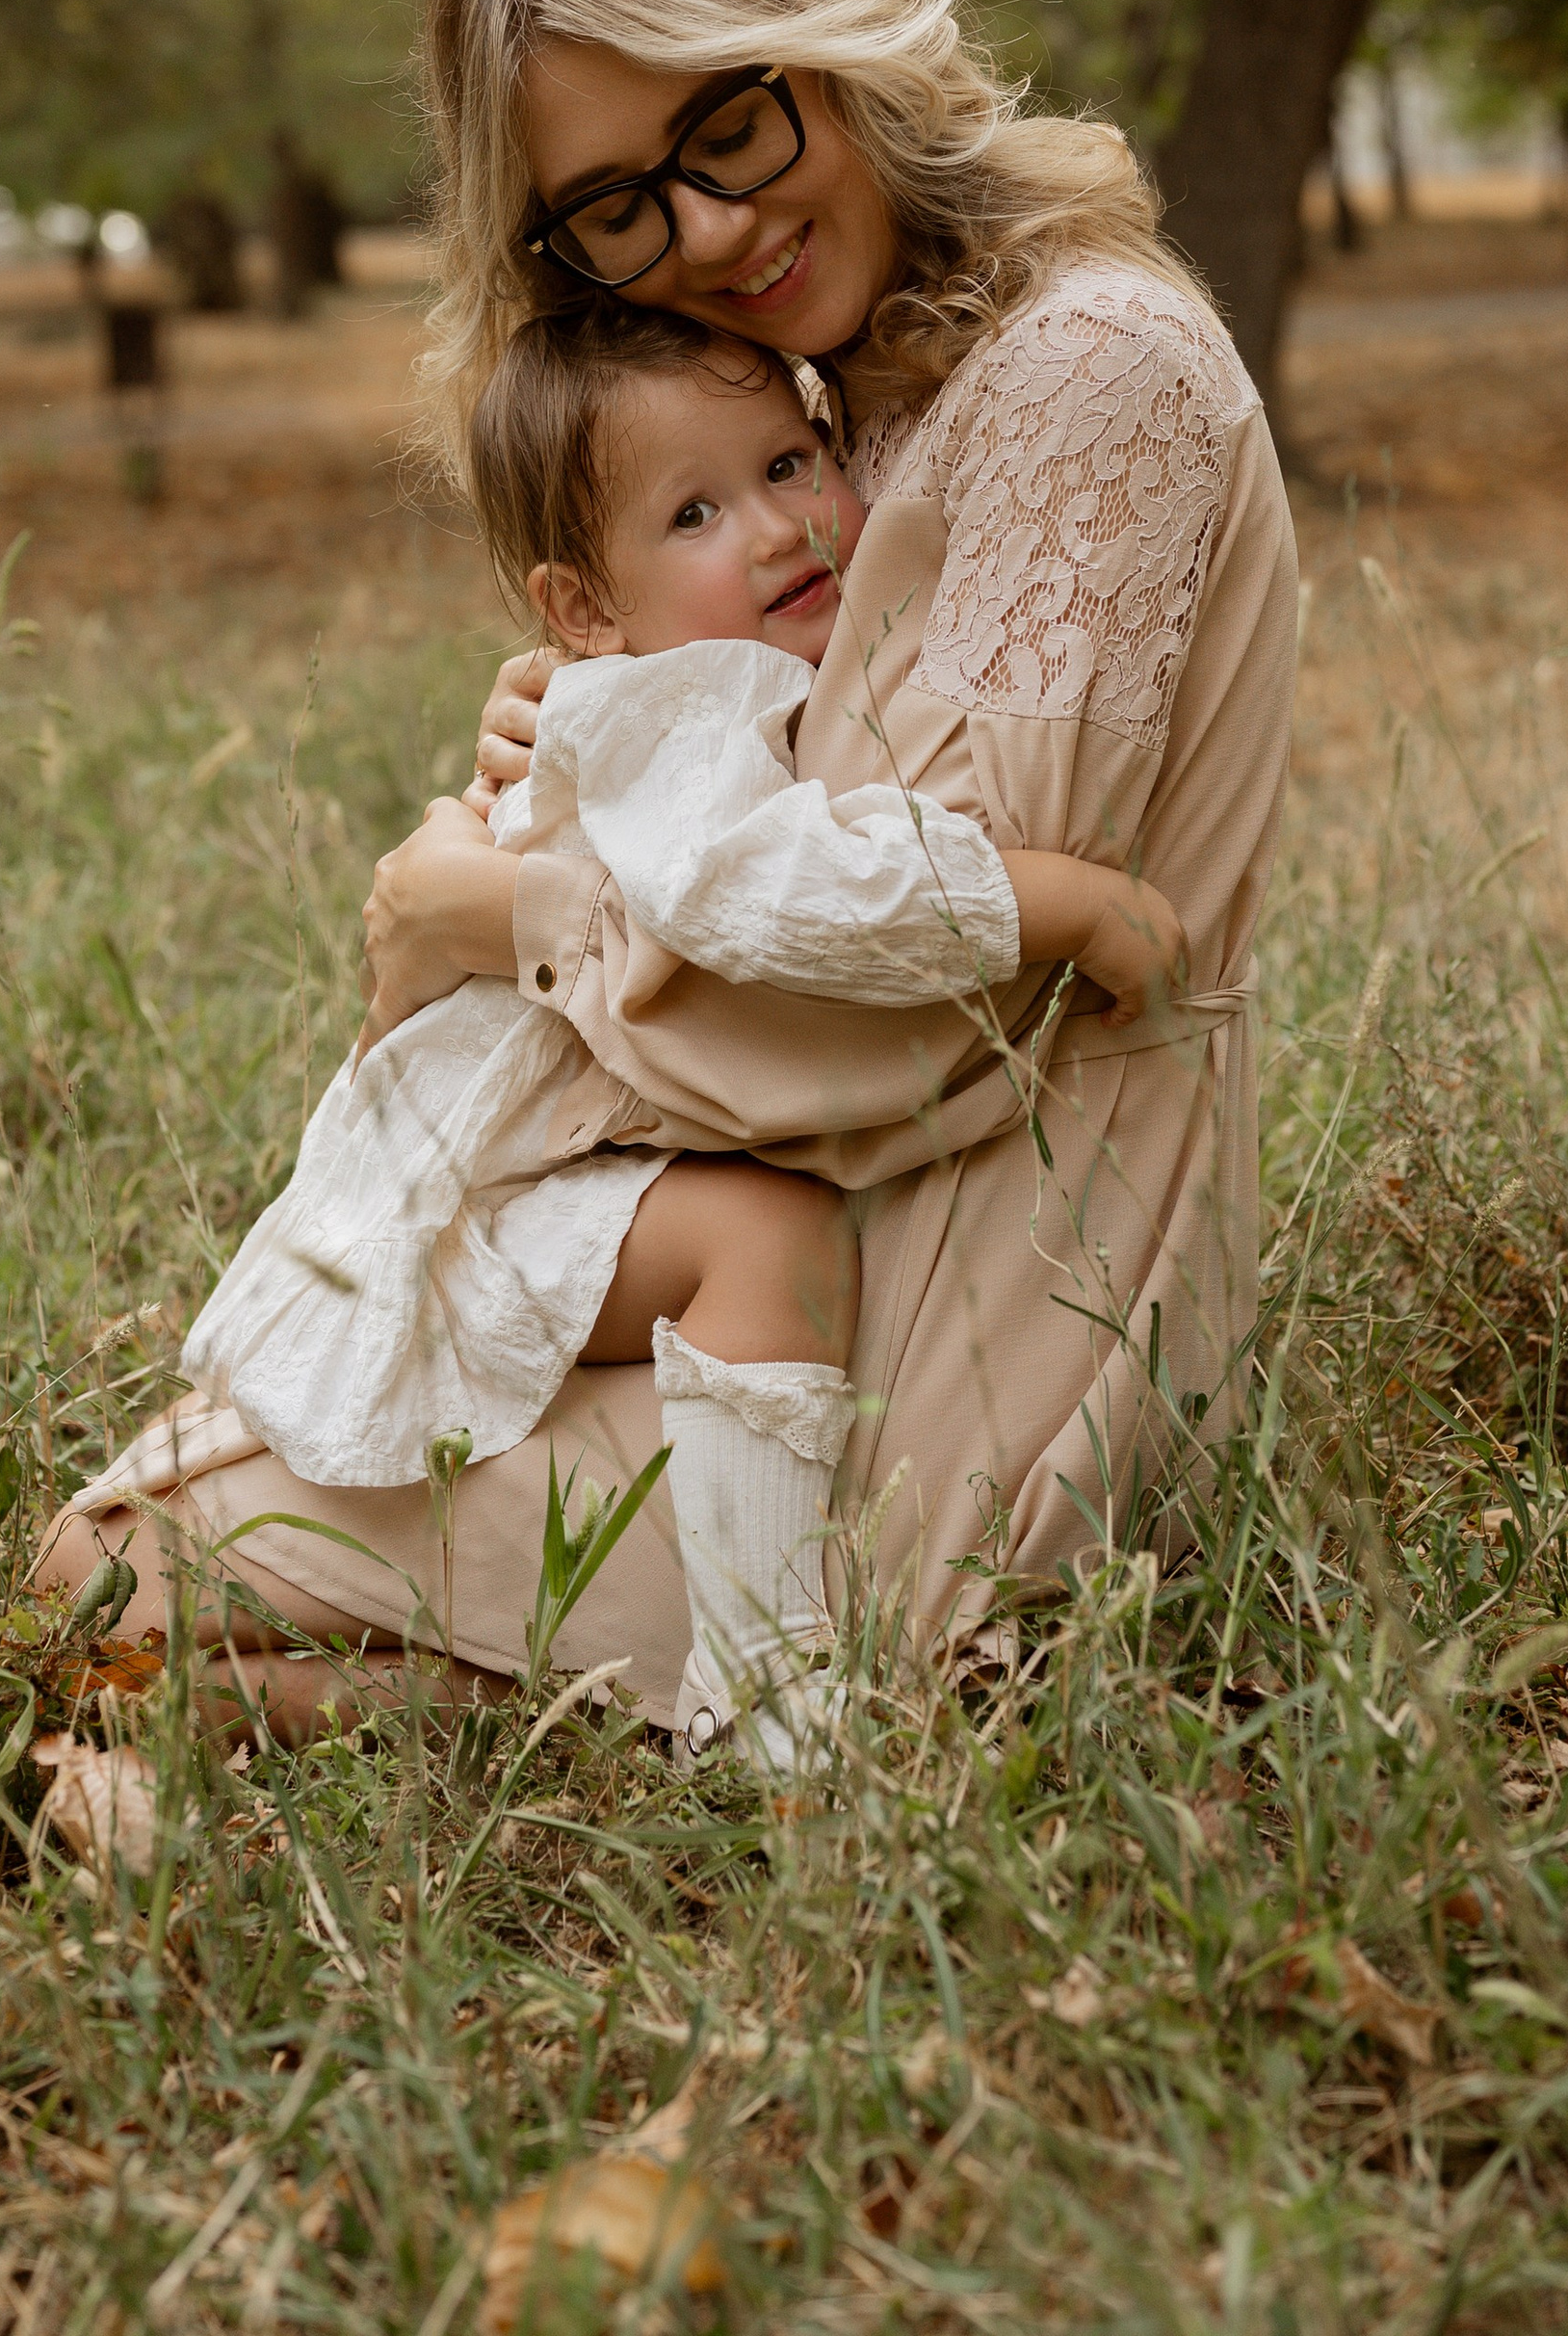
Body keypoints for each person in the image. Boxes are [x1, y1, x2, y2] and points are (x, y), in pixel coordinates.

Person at [36, 0, 1295, 1744]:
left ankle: (675, 1711)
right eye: (617, 206)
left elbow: (913, 1022)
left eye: (730, 122)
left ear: (833, 31)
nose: (705, 230)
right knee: (122, 1583)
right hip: (787, 1279)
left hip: (967, 1325)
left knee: (111, 1572)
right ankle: (426, 1718)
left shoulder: (1085, 371)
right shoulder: (830, 395)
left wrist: (496, 906)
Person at [65, 302, 1184, 1769]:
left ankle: (448, 1706)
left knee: (107, 1610)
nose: (785, 527)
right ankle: (775, 1696)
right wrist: (1067, 905)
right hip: (489, 1204)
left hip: (535, 1181)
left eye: (792, 463)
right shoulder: (679, 707)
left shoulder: (702, 678)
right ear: (585, 608)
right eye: (698, 511)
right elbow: (782, 893)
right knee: (762, 1239)